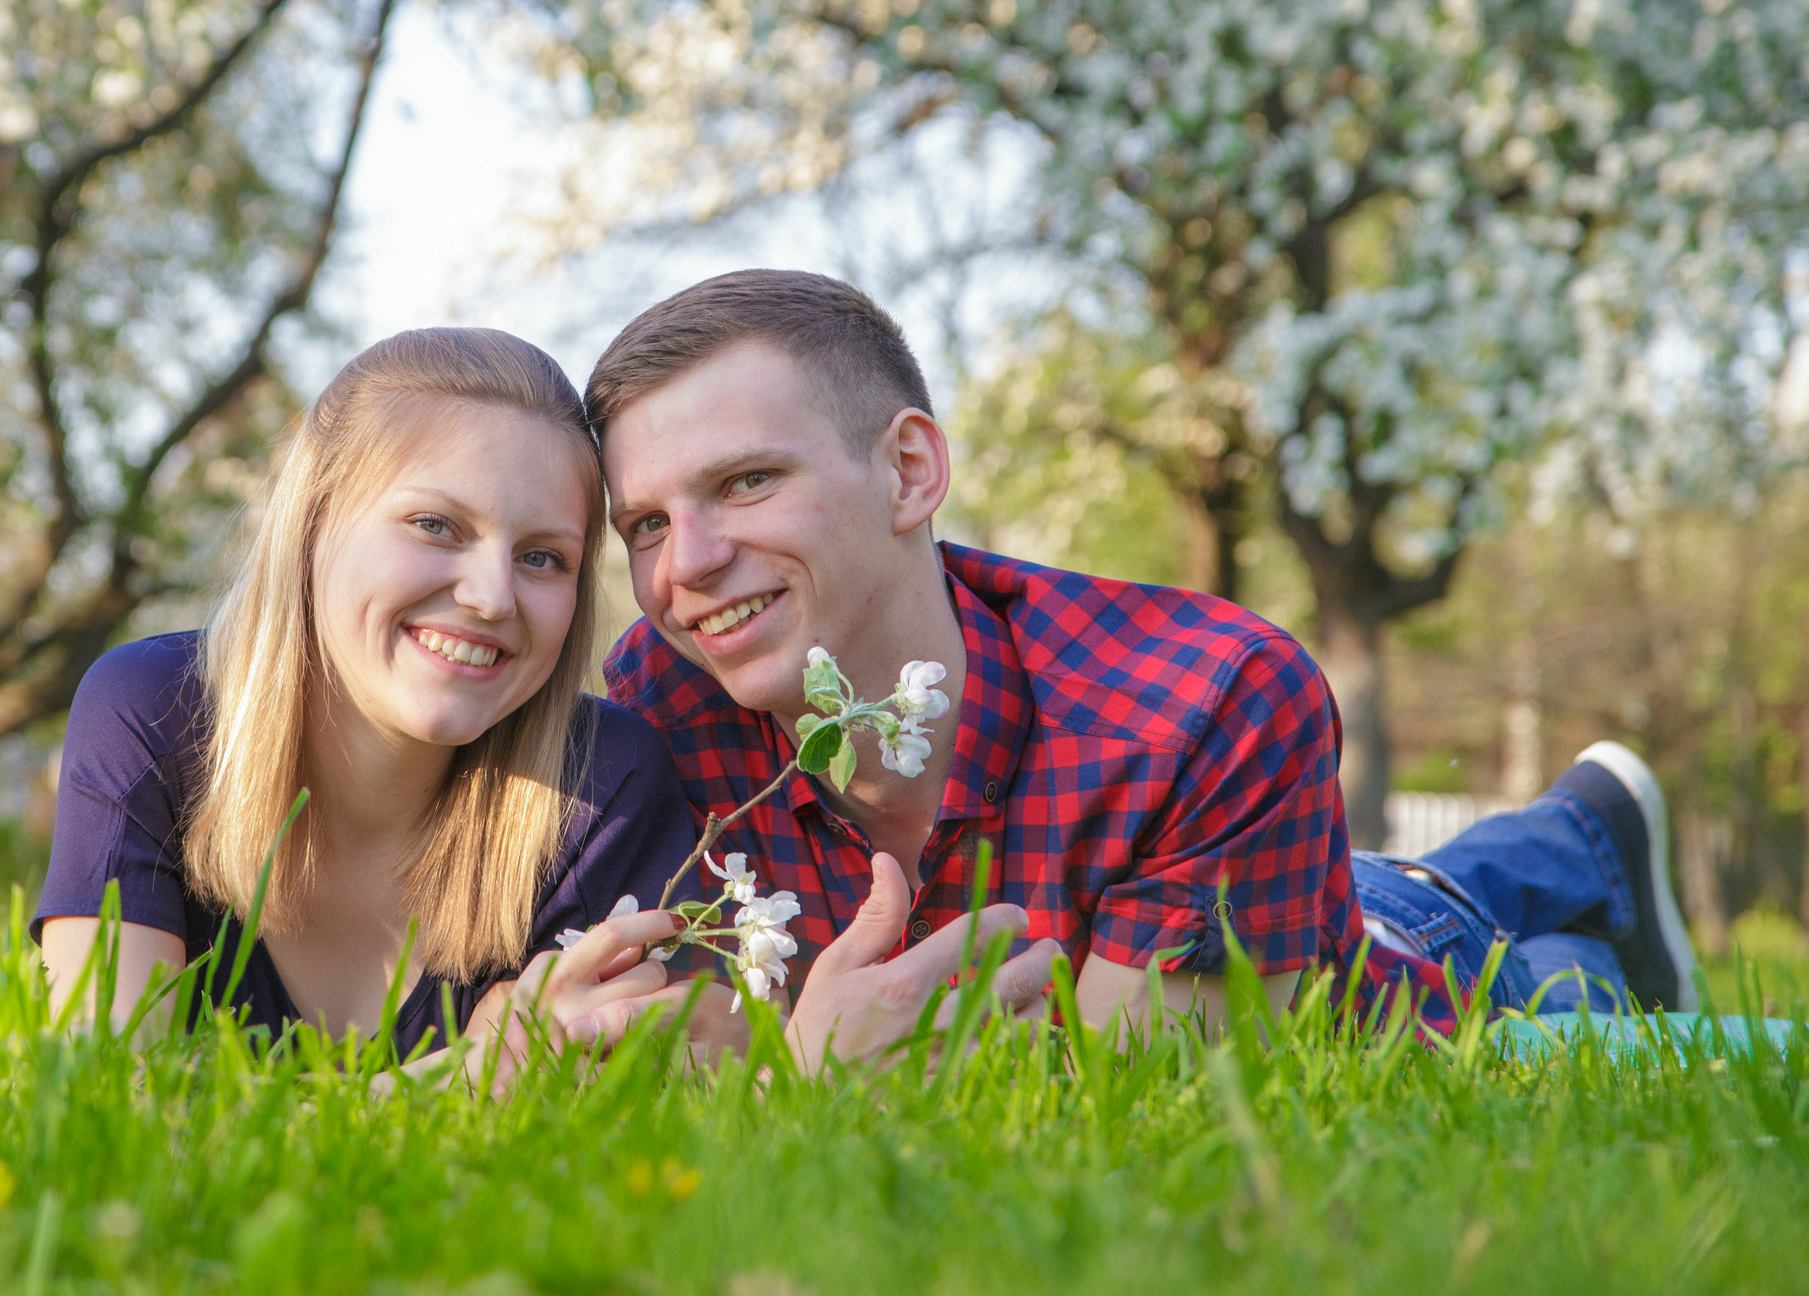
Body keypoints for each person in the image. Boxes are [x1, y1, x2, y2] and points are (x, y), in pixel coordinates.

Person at [563, 269, 1699, 1064]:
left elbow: (1126, 1093)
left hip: (1364, 985)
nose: (688, 567)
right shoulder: (665, 704)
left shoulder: (1210, 699)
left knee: (1529, 982)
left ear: (909, 472)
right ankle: (1579, 831)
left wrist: (797, 1082)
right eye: (647, 525)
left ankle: (1585, 855)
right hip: (1192, 882)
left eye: (747, 482)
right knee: (1378, 875)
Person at [32, 328, 698, 1059]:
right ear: (315, 523)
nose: (490, 596)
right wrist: (465, 1079)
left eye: (542, 557)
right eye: (435, 525)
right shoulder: (155, 711)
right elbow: (107, 1099)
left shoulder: (602, 789)